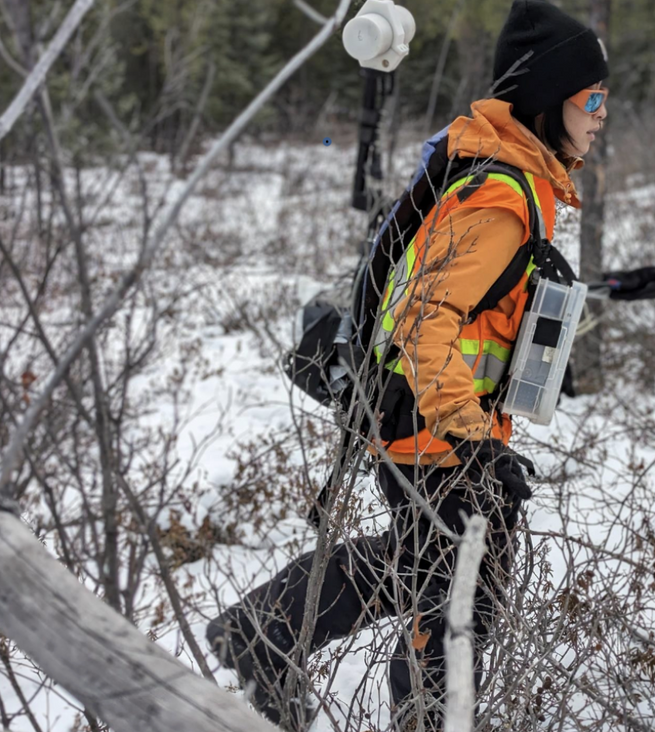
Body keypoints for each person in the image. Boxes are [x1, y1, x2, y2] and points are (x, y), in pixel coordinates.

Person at [205, 1, 609, 729]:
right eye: (594, 98)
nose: (602, 114)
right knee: (458, 601)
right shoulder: (499, 196)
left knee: (417, 566)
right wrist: (472, 435)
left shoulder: (508, 178)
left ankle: (263, 631)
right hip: (438, 429)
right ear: (552, 100)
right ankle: (417, 715)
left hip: (424, 420)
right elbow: (427, 319)